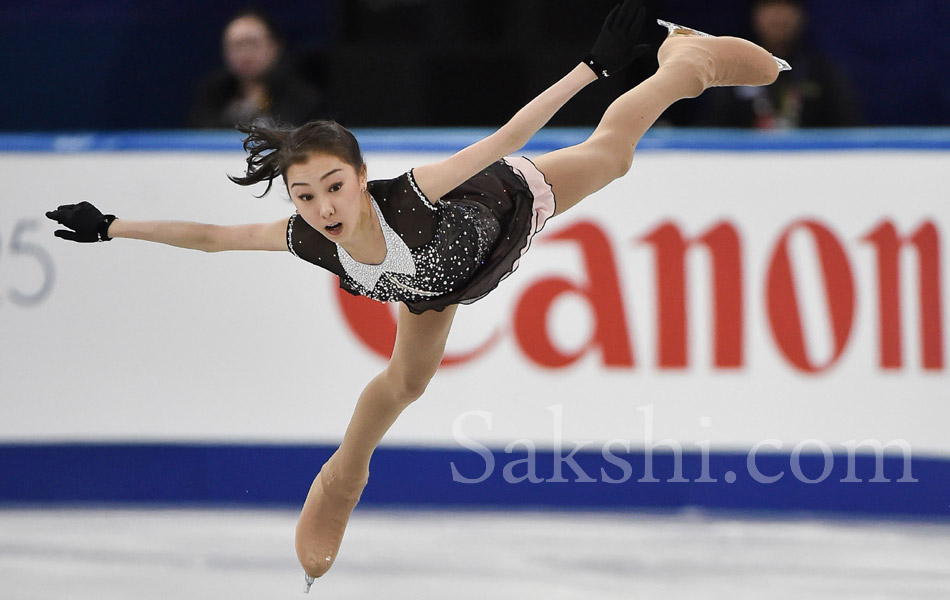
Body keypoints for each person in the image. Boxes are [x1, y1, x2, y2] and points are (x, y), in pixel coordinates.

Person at [46, 1, 783, 589]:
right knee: (403, 383)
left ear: (360, 176)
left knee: (612, 156)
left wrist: (593, 67)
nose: (324, 205)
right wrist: (112, 226)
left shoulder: (414, 195)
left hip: (501, 209)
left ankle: (685, 60)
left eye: (334, 185)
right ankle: (342, 478)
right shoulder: (306, 239)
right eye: (306, 195)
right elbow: (211, 237)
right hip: (431, 291)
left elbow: (510, 134)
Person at [698, 0, 862, 128]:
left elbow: (848, 131)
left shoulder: (824, 74)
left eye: (786, 6)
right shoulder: (730, 72)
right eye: (769, 5)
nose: (778, 16)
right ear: (755, 14)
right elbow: (712, 132)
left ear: (801, 14)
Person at [189, 9, 327, 129]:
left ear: (274, 47)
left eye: (252, 43)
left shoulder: (302, 98)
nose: (245, 53)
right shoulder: (213, 95)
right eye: (237, 45)